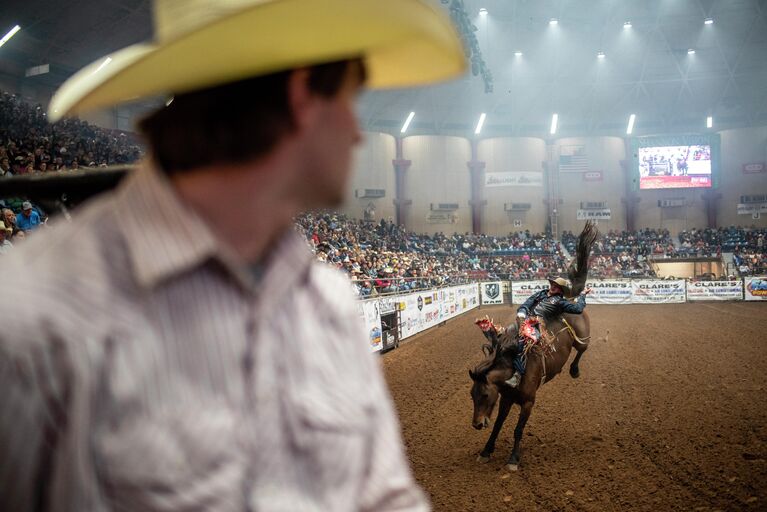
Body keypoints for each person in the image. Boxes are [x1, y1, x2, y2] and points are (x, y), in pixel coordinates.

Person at [0, 1, 465, 510]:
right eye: (350, 100)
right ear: (302, 93)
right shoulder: (30, 317)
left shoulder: (327, 300)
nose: (357, 132)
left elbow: (383, 497)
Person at [507, 277, 592, 387]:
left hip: (537, 326)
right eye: (552, 284)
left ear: (561, 290)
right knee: (504, 334)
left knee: (522, 343)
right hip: (523, 320)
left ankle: (517, 374)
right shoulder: (541, 293)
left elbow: (578, 309)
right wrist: (522, 312)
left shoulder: (560, 302)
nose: (552, 287)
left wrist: (583, 295)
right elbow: (527, 303)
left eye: (556, 286)